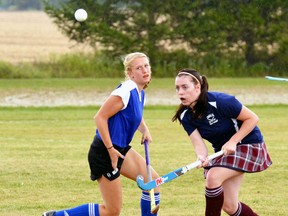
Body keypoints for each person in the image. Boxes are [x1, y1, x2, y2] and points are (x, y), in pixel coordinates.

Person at [43, 52, 160, 216]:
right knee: (111, 211)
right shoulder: (127, 90)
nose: (144, 70)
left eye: (146, 66)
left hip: (120, 150)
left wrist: (144, 129)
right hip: (105, 152)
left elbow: (135, 115)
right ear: (130, 73)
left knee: (153, 182)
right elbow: (100, 117)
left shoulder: (141, 93)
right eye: (139, 68)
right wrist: (111, 149)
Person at [172, 68, 272, 216]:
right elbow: (198, 144)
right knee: (230, 206)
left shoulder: (221, 101)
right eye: (177, 88)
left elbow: (253, 118)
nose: (180, 92)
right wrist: (201, 157)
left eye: (185, 87)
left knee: (213, 177)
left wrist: (233, 141)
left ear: (197, 87)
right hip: (223, 151)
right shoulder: (186, 116)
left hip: (249, 144)